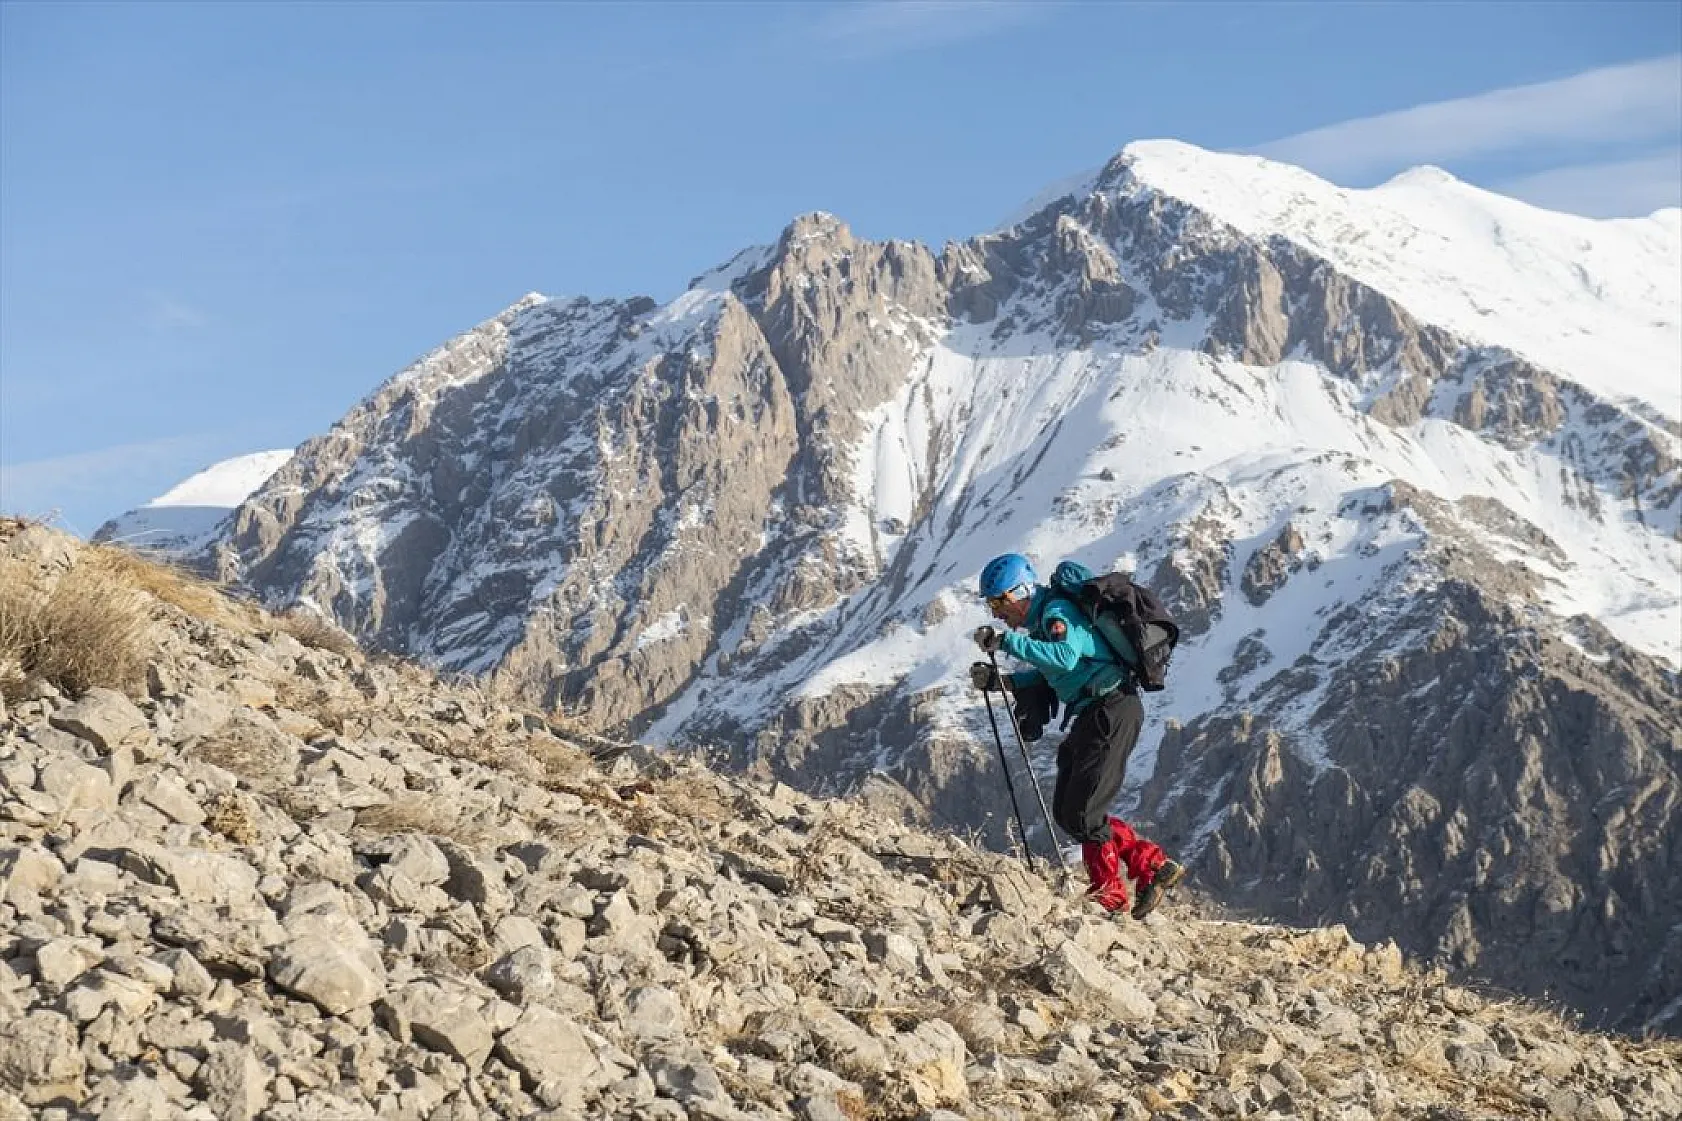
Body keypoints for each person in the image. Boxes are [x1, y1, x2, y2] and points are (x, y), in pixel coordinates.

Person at [970, 552, 1185, 919]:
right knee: (1069, 813)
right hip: (1095, 713)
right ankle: (1151, 864)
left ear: (1018, 593)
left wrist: (1005, 643)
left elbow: (1064, 658)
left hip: (1111, 710)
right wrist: (1000, 682)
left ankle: (1111, 893)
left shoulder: (1057, 613)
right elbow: (1053, 675)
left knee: (1084, 813)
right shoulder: (1045, 622)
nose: (996, 613)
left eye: (997, 603)